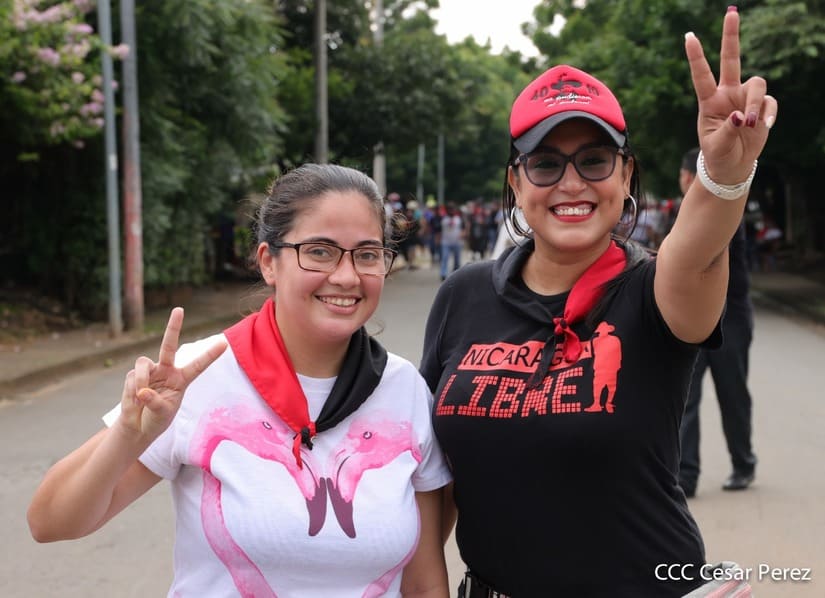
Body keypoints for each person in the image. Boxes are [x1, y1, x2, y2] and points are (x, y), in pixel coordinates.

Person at [420, 8, 776, 597]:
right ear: (515, 182)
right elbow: (434, 476)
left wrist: (724, 174)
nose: (571, 183)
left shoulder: (656, 292)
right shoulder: (462, 294)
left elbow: (699, 248)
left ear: (626, 174)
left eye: (594, 160)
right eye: (545, 163)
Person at [28, 164, 452, 597]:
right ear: (269, 262)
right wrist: (129, 435)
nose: (346, 276)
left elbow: (423, 585)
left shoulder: (404, 390)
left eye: (367, 254)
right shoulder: (198, 376)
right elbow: (50, 523)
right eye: (320, 251)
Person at [678, 147, 758, 498]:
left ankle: (743, 463)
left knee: (732, 394)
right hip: (693, 321)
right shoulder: (683, 214)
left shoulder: (727, 211)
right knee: (686, 398)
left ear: (689, 177)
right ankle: (685, 476)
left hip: (731, 321)